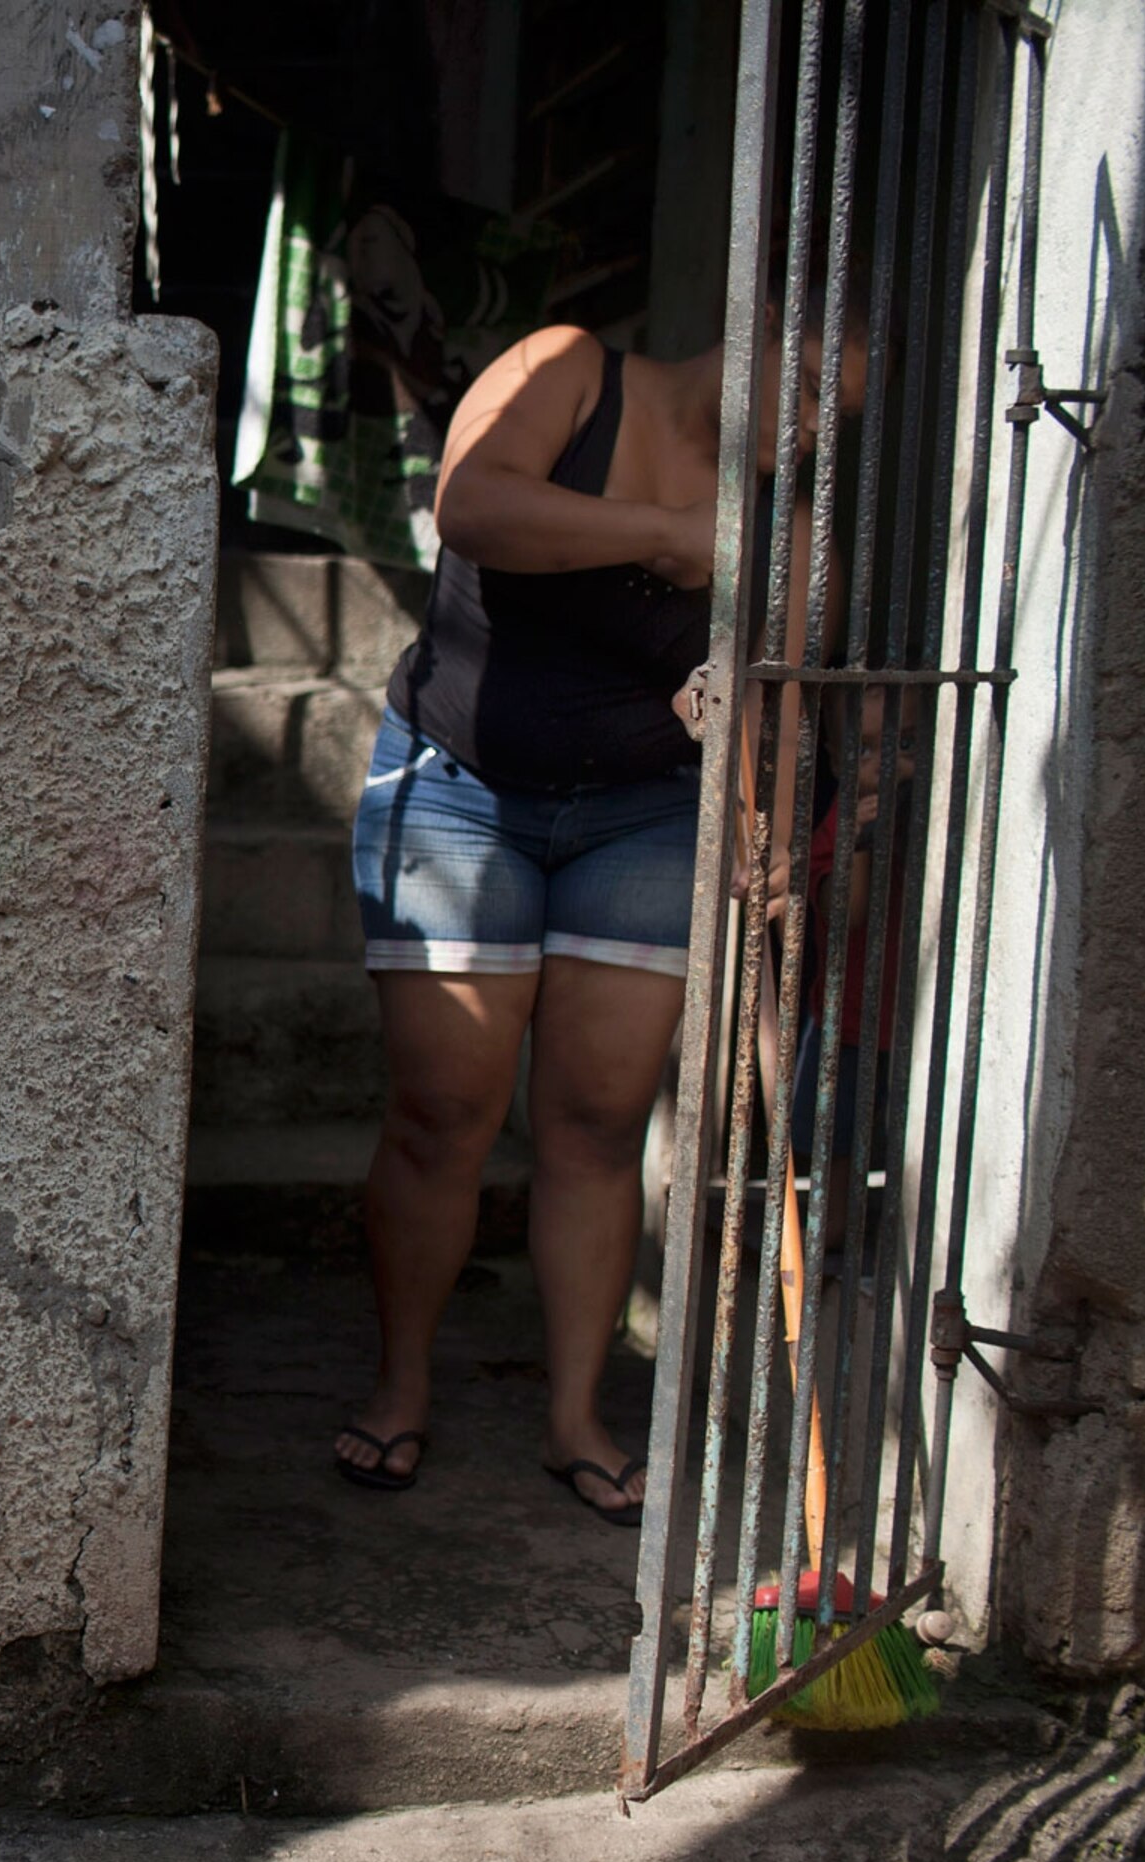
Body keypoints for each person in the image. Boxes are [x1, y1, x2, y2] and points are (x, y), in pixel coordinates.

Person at [336, 317, 850, 1525]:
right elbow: (474, 507)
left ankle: (575, 1415)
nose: (814, 427)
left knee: (598, 1119)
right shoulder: (570, 369)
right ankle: (401, 1380)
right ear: (751, 326)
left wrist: (770, 814)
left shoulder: (795, 519)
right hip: (459, 787)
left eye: (842, 417)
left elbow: (776, 683)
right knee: (444, 1108)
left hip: (650, 812)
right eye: (813, 386)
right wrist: (677, 537)